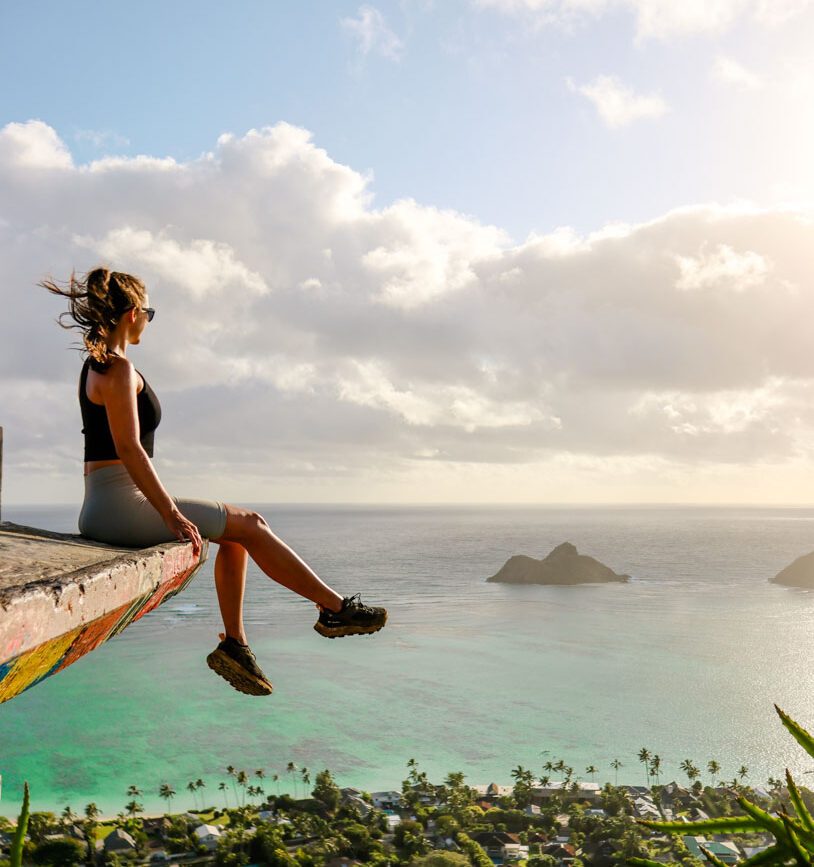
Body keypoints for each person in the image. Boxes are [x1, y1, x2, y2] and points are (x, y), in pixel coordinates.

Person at [42, 267, 387, 697]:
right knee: (253, 524)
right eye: (149, 311)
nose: (149, 319)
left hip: (109, 503)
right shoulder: (118, 369)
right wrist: (170, 513)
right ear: (132, 314)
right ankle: (335, 610)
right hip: (117, 507)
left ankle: (236, 646)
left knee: (239, 535)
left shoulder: (98, 365)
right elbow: (129, 448)